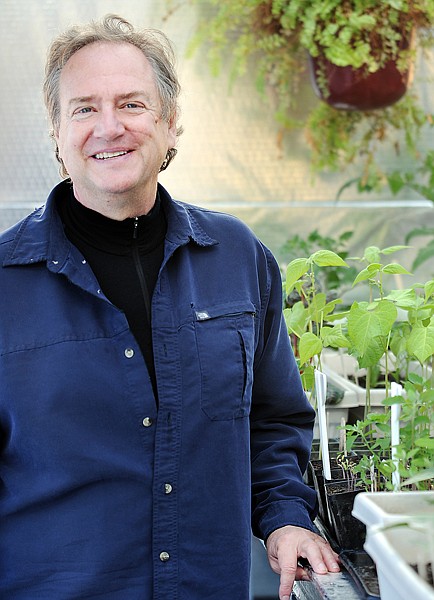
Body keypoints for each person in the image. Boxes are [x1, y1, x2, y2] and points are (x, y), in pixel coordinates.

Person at [0, 14, 339, 600]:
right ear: (56, 131)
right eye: (84, 108)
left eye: (132, 104)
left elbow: (273, 417)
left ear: (171, 122)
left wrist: (284, 516)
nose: (110, 127)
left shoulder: (236, 257)